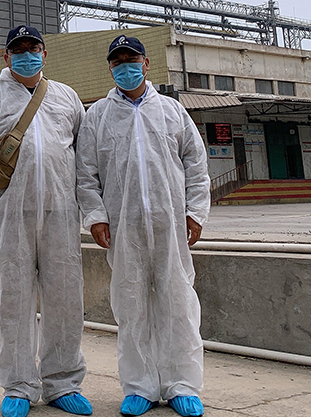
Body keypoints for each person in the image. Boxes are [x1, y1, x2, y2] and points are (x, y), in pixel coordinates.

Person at [76, 35, 210, 417]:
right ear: (110, 68)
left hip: (170, 223)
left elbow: (196, 167)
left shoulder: (171, 111)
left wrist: (196, 212)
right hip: (123, 227)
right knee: (131, 305)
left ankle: (182, 384)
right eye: (117, 61)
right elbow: (86, 174)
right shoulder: (97, 116)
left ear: (147, 63)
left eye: (131, 58)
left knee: (178, 302)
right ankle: (140, 386)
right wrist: (96, 216)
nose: (125, 66)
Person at [0, 26, 92, 417]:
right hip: (11, 214)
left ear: (45, 53)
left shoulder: (67, 97)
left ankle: (63, 382)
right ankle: (18, 385)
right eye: (17, 50)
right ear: (5, 57)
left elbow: (84, 159)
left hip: (61, 214)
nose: (26, 55)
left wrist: (92, 211)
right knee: (14, 301)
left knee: (65, 300)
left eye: (32, 48)